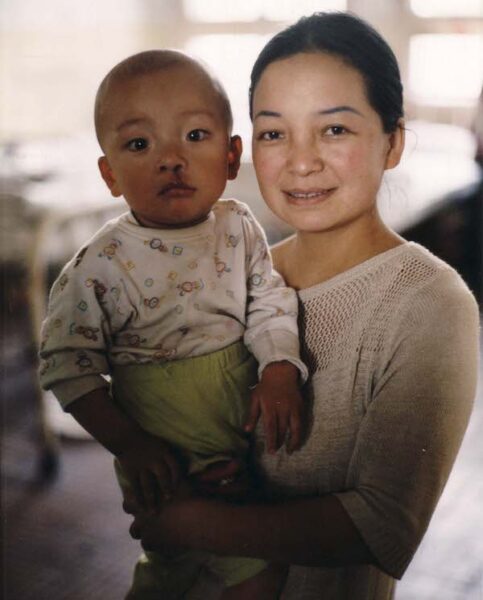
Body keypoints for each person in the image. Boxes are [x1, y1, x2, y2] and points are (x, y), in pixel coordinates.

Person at [126, 13, 480, 600]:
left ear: (391, 141)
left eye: (334, 130)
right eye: (273, 132)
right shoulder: (229, 277)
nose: (301, 161)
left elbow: (384, 525)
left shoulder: (429, 303)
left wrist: (191, 520)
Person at [38, 49, 309, 598]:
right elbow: (67, 366)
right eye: (140, 145)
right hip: (162, 448)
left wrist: (280, 367)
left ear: (232, 157)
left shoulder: (238, 229)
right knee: (183, 566)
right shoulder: (100, 265)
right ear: (110, 174)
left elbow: (269, 300)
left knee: (253, 566)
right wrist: (130, 445)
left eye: (195, 136)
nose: (170, 159)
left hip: (240, 435)